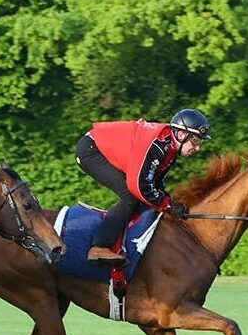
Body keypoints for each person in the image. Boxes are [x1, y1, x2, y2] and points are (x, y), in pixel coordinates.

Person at [74, 108, 211, 265]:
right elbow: (138, 187)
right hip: (90, 151)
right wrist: (167, 206)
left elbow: (156, 184)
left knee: (144, 200)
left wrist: (169, 204)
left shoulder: (169, 148)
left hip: (100, 147)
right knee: (131, 196)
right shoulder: (157, 145)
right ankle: (98, 247)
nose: (198, 147)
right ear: (181, 134)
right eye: (195, 140)